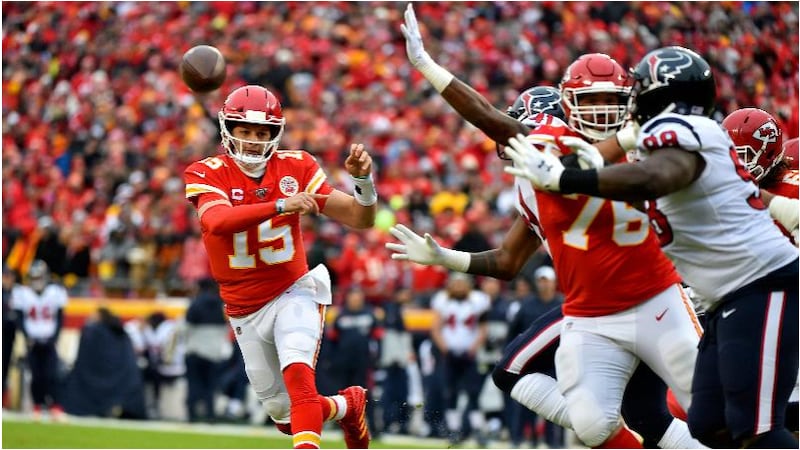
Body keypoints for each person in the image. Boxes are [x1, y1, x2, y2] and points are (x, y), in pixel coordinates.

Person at [395, 6, 703, 448]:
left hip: (657, 294)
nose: (600, 111)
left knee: (710, 409)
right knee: (596, 425)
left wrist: (631, 141)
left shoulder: (644, 139)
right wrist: (447, 258)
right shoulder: (546, 155)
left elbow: (646, 179)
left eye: (608, 101)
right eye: (589, 101)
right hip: (591, 311)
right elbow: (508, 260)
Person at [506, 45, 798, 448]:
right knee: (707, 421)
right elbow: (736, 191)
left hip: (757, 284)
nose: (633, 98)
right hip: (719, 296)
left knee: (756, 427)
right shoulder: (663, 140)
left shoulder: (679, 136)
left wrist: (566, 179)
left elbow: (653, 178)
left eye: (640, 89)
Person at [183, 84, 376, 449]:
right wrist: (280, 205)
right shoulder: (207, 171)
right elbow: (217, 222)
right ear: (228, 129)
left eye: (262, 133)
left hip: (293, 290)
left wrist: (363, 182)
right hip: (243, 307)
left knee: (299, 378)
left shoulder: (296, 166)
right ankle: (346, 406)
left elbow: (359, 218)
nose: (253, 140)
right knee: (285, 415)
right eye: (245, 131)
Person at [428, 272, 489, 444]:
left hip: (469, 354)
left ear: (469, 285)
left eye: (462, 283)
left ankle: (478, 429)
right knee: (450, 392)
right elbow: (436, 328)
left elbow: (483, 328)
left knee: (473, 393)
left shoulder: (478, 300)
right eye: (456, 283)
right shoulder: (442, 300)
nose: (459, 287)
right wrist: (446, 350)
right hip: (450, 354)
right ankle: (454, 430)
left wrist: (473, 347)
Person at [722, 108, 799, 244]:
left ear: (768, 154)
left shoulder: (793, 190)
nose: (733, 164)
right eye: (729, 156)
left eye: (741, 156)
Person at [11, 260, 68, 421]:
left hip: (49, 339)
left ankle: (55, 407)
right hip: (32, 340)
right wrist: (26, 336)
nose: (36, 281)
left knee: (52, 375)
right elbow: (19, 318)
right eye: (34, 277)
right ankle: (37, 406)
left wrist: (55, 337)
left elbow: (60, 317)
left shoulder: (55, 292)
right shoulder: (22, 293)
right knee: (36, 376)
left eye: (39, 277)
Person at [183, 278, 231, 423]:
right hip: (214, 351)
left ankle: (192, 414)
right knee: (211, 386)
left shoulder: (195, 303)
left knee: (194, 384)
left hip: (195, 350)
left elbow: (187, 328)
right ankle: (210, 415)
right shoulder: (221, 305)